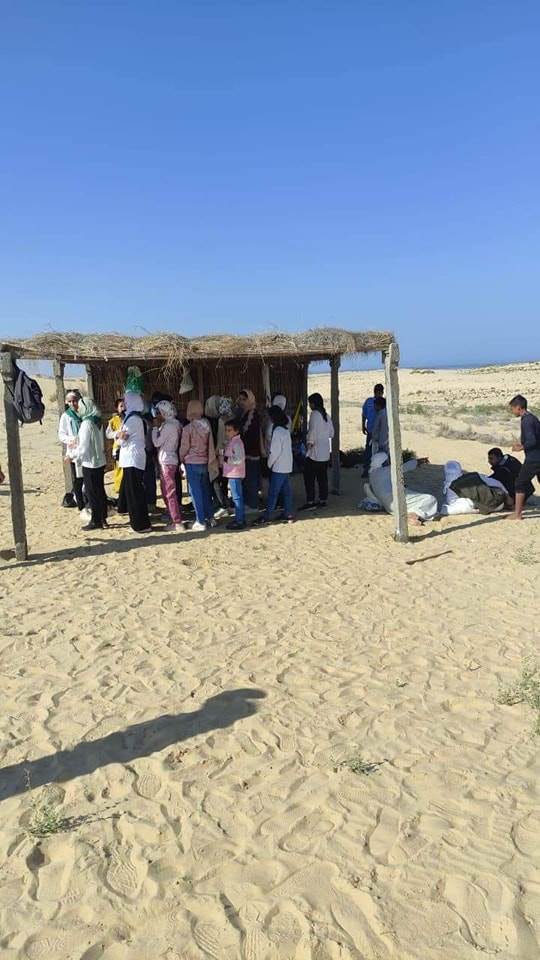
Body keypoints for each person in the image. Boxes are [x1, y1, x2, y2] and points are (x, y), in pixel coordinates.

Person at [366, 452, 437, 526]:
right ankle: (413, 516)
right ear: (383, 462)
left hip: (388, 507)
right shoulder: (386, 470)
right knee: (430, 499)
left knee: (412, 493)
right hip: (395, 502)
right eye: (387, 460)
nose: (389, 462)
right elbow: (405, 467)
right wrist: (418, 461)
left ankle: (411, 514)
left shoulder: (372, 473)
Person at [68, 397, 108, 531]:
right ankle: (102, 518)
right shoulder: (95, 421)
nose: (78, 409)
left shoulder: (86, 424)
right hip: (99, 462)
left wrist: (71, 455)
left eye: (80, 406)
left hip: (90, 463)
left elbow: (83, 447)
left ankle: (96, 520)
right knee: (100, 491)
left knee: (92, 493)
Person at [180, 399, 217, 532]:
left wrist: (181, 458)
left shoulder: (187, 429)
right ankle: (211, 518)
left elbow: (184, 448)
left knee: (195, 494)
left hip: (192, 463)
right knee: (206, 492)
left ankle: (200, 521)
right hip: (205, 462)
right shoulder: (207, 427)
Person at [117, 391, 152, 533]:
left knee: (134, 492)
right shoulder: (136, 417)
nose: (124, 403)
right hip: (133, 458)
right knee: (135, 491)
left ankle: (140, 525)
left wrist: (118, 438)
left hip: (132, 458)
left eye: (126, 400)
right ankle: (141, 523)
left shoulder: (132, 419)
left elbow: (122, 438)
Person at [254, 405, 294, 525]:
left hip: (279, 466)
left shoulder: (277, 431)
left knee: (273, 492)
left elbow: (275, 451)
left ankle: (267, 516)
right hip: (287, 465)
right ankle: (288, 513)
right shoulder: (285, 430)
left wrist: (269, 463)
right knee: (286, 491)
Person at [152, 400, 183, 532]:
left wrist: (154, 428)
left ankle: (176, 521)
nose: (157, 416)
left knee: (169, 492)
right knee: (168, 491)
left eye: (159, 413)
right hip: (171, 459)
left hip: (167, 460)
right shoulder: (176, 424)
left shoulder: (169, 426)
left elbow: (157, 442)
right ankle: (174, 518)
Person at [507, 395, 540, 520]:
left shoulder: (527, 421)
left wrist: (521, 447)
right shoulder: (531, 418)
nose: (512, 411)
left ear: (518, 408)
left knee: (520, 483)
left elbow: (532, 440)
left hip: (534, 458)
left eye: (512, 408)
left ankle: (517, 514)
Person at [440, 460, 510, 516]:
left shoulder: (451, 487)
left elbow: (449, 503)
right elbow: (497, 483)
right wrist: (507, 495)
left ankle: (475, 510)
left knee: (446, 509)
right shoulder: (474, 476)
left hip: (489, 507)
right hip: (500, 504)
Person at [302, 392, 334, 510]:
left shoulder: (314, 414)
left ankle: (310, 501)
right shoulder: (326, 416)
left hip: (315, 453)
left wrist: (309, 445)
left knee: (309, 478)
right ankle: (323, 499)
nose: (309, 405)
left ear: (313, 404)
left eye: (310, 403)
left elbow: (312, 432)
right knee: (322, 477)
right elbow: (331, 433)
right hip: (325, 452)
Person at [58, 389, 85, 509]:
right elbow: (61, 434)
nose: (72, 403)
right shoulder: (66, 416)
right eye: (69, 401)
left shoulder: (84, 413)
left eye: (74, 401)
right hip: (74, 451)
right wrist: (72, 440)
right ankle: (80, 503)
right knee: (78, 478)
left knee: (88, 478)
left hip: (86, 449)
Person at [238, 389, 263, 511]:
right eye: (240, 399)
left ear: (250, 400)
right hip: (245, 452)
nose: (242, 402)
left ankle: (253, 505)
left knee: (251, 480)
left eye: (244, 399)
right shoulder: (245, 413)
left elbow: (251, 435)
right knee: (247, 480)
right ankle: (249, 503)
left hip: (251, 452)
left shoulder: (253, 415)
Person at [222, 418, 246, 530]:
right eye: (226, 430)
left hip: (235, 473)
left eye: (229, 430)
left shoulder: (236, 442)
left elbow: (239, 459)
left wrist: (227, 459)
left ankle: (240, 520)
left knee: (237, 497)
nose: (227, 432)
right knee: (237, 497)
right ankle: (239, 518)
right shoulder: (233, 441)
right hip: (232, 473)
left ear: (236, 431)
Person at [362, 384, 384, 477]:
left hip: (380, 432)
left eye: (380, 392)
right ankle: (366, 470)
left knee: (379, 451)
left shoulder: (383, 402)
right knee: (369, 450)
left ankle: (377, 471)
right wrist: (363, 425)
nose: (379, 394)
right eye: (378, 392)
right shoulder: (369, 402)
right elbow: (364, 414)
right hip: (372, 431)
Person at [106, 398, 126, 495]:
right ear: (117, 408)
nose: (123, 408)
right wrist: (116, 434)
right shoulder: (113, 420)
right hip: (118, 448)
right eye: (121, 406)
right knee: (119, 468)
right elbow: (108, 434)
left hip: (127, 447)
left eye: (125, 405)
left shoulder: (129, 418)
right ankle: (118, 487)